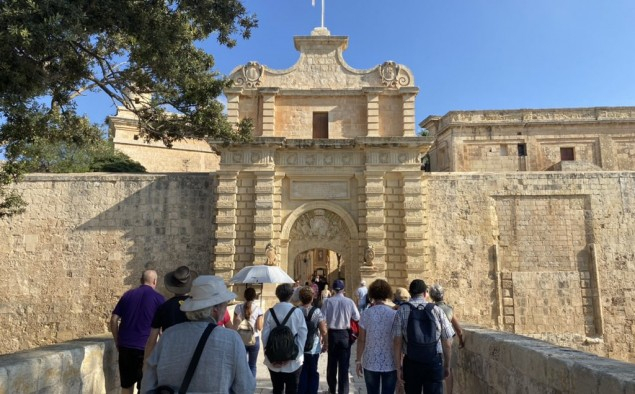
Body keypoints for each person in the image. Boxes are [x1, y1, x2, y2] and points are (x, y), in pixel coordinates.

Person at [141, 275, 255, 393]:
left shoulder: (168, 336)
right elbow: (245, 387)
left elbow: (148, 384)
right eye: (225, 303)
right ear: (215, 309)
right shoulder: (231, 339)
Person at [392, 279, 455, 394]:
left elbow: (397, 342)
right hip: (433, 362)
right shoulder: (437, 310)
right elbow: (447, 342)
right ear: (426, 293)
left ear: (410, 293)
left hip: (411, 363)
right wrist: (447, 365)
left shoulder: (402, 311)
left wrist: (398, 368)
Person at [111, 269, 165, 394]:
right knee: (145, 387)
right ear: (155, 281)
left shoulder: (128, 295)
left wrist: (117, 340)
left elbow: (114, 319)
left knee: (126, 385)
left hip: (125, 346)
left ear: (141, 280)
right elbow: (162, 328)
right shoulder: (159, 298)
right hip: (146, 348)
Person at [144, 265, 198, 361]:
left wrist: (146, 363)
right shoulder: (197, 306)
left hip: (169, 356)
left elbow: (152, 340)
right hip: (192, 356)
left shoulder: (164, 307)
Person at [262, 283, 308, 394]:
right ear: (291, 295)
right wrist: (297, 354)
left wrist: (270, 354)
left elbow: (265, 336)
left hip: (274, 363)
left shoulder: (269, 312)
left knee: (277, 389)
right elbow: (303, 334)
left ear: (277, 295)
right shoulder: (297, 312)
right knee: (292, 390)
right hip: (293, 361)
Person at [356, 279, 398, 394]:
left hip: (370, 361)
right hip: (390, 362)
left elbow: (361, 340)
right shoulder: (394, 315)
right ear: (387, 294)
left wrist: (358, 361)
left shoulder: (366, 314)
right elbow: (397, 340)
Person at [322, 279, 360, 394]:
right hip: (345, 334)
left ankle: (332, 389)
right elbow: (357, 317)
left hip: (332, 334)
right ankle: (343, 391)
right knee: (344, 366)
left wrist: (324, 338)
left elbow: (322, 319)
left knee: (332, 364)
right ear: (343, 289)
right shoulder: (349, 302)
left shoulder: (327, 302)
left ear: (333, 289)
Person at [428, 284, 465, 394]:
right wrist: (461, 341)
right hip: (448, 342)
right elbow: (458, 329)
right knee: (448, 369)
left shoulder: (430, 309)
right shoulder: (449, 309)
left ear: (431, 296)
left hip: (433, 344)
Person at [298, 286, 328, 394]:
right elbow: (323, 330)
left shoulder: (296, 311)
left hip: (300, 346)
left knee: (302, 371)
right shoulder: (317, 312)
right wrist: (325, 344)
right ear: (311, 299)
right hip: (313, 347)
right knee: (313, 371)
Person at [232, 287, 264, 377]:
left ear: (244, 296)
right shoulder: (258, 309)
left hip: (241, 338)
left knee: (241, 365)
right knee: (252, 365)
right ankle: (251, 387)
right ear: (254, 297)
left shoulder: (237, 307)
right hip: (254, 338)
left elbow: (235, 323)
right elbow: (259, 327)